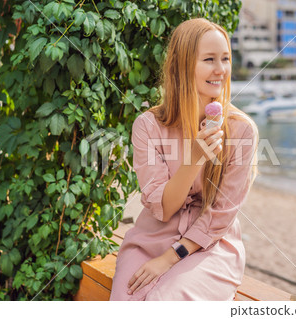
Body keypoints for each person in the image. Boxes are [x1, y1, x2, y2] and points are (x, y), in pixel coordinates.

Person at [109, 18, 258, 301]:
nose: (221, 70)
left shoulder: (241, 130)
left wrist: (170, 257)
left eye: (225, 59)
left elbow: (221, 214)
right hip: (150, 240)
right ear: (183, 65)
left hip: (209, 246)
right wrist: (194, 159)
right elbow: (162, 209)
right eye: (209, 59)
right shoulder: (148, 126)